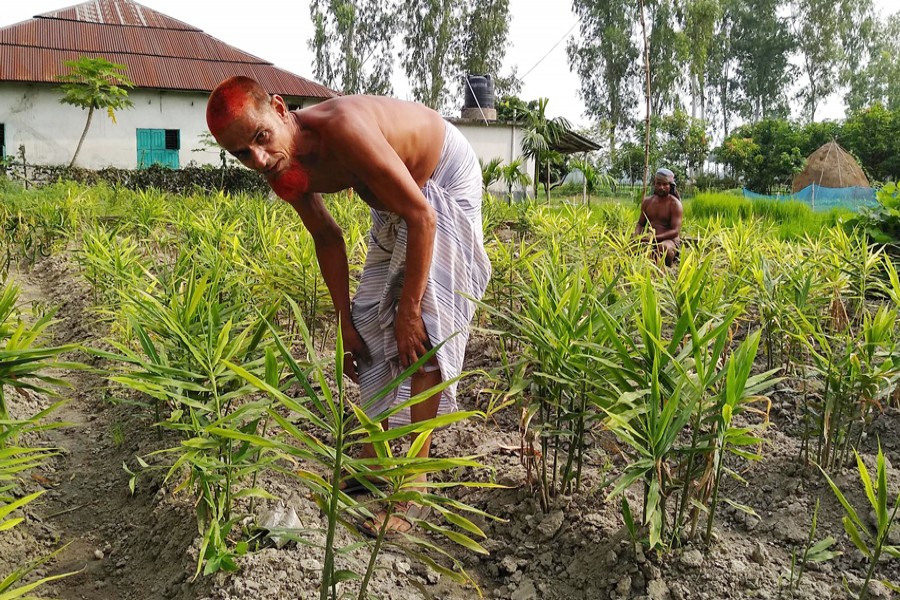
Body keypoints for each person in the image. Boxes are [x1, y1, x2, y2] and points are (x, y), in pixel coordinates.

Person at [206, 76, 491, 535]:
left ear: (280, 109)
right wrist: (343, 322)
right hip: (394, 197)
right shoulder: (282, 169)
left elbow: (422, 216)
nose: (257, 159)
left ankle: (413, 479)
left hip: (439, 181)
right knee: (369, 322)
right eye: (241, 154)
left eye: (260, 138)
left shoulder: (343, 129)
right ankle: (376, 457)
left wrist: (411, 310)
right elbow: (327, 237)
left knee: (422, 331)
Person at [634, 168, 683, 266]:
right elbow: (640, 224)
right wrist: (637, 236)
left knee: (663, 248)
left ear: (670, 186)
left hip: (670, 241)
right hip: (650, 240)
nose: (661, 187)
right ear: (654, 184)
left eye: (665, 184)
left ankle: (667, 268)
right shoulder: (647, 202)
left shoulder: (674, 204)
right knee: (631, 246)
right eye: (659, 184)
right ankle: (650, 260)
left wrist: (653, 239)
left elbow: (675, 231)